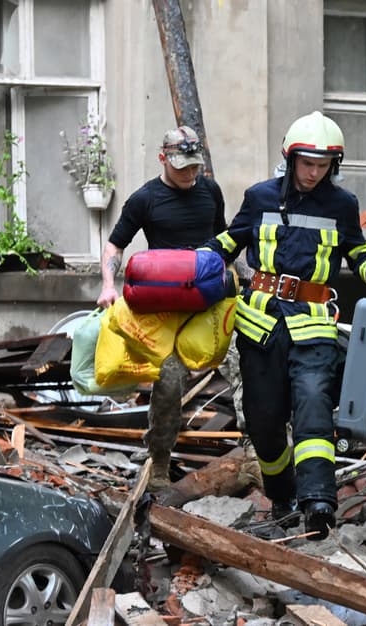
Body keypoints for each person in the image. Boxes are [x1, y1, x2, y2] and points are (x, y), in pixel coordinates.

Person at [200, 111, 366, 540]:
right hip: (261, 324)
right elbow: (231, 242)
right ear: (291, 158)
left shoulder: (342, 205)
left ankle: (319, 502)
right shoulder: (260, 197)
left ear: (333, 166)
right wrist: (196, 263)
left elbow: (356, 249)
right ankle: (283, 496)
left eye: (323, 166)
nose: (313, 172)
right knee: (265, 422)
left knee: (312, 408)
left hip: (313, 327)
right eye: (307, 163)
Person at [97, 125, 226, 491]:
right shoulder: (145, 199)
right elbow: (115, 246)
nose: (190, 174)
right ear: (163, 158)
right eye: (183, 166)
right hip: (167, 308)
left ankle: (256, 454)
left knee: (250, 365)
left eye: (195, 166)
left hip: (211, 303)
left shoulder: (211, 192)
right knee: (169, 382)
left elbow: (225, 238)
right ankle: (159, 463)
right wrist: (109, 286)